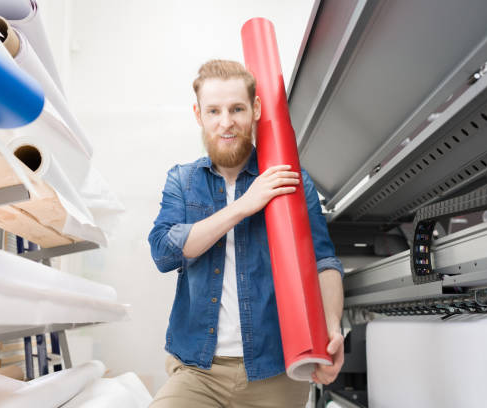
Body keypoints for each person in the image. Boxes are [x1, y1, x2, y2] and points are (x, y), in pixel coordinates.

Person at [147, 60, 344, 408]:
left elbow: (323, 261)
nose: (226, 122)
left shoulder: (291, 179)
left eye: (236, 108)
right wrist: (244, 205)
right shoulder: (183, 180)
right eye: (214, 111)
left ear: (255, 109)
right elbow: (163, 252)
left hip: (276, 371)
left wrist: (332, 328)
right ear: (199, 115)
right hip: (198, 370)